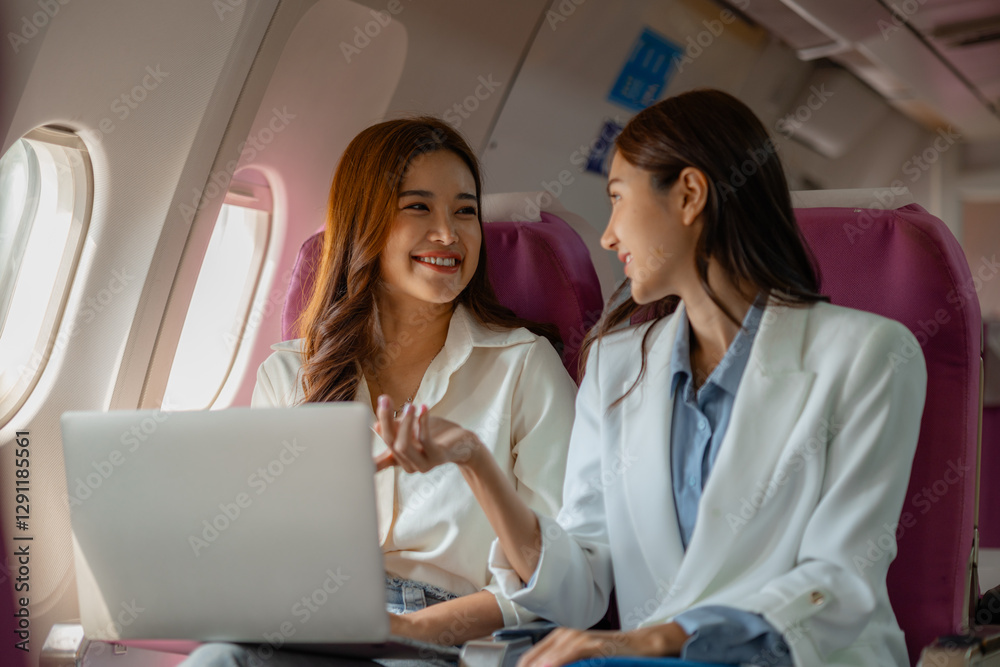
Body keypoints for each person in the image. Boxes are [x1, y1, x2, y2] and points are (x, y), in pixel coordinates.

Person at [377, 89, 927, 666]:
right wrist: (475, 462)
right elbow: (580, 586)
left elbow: (838, 579)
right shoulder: (616, 365)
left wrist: (657, 639)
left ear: (688, 195)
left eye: (618, 198)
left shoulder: (869, 354)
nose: (609, 235)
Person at [183, 117, 576, 666]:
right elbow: (269, 551)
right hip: (322, 626)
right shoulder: (292, 375)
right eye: (418, 207)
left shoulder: (524, 367)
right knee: (218, 660)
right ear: (362, 222)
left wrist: (410, 628)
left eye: (465, 211)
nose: (448, 234)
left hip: (457, 638)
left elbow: (561, 579)